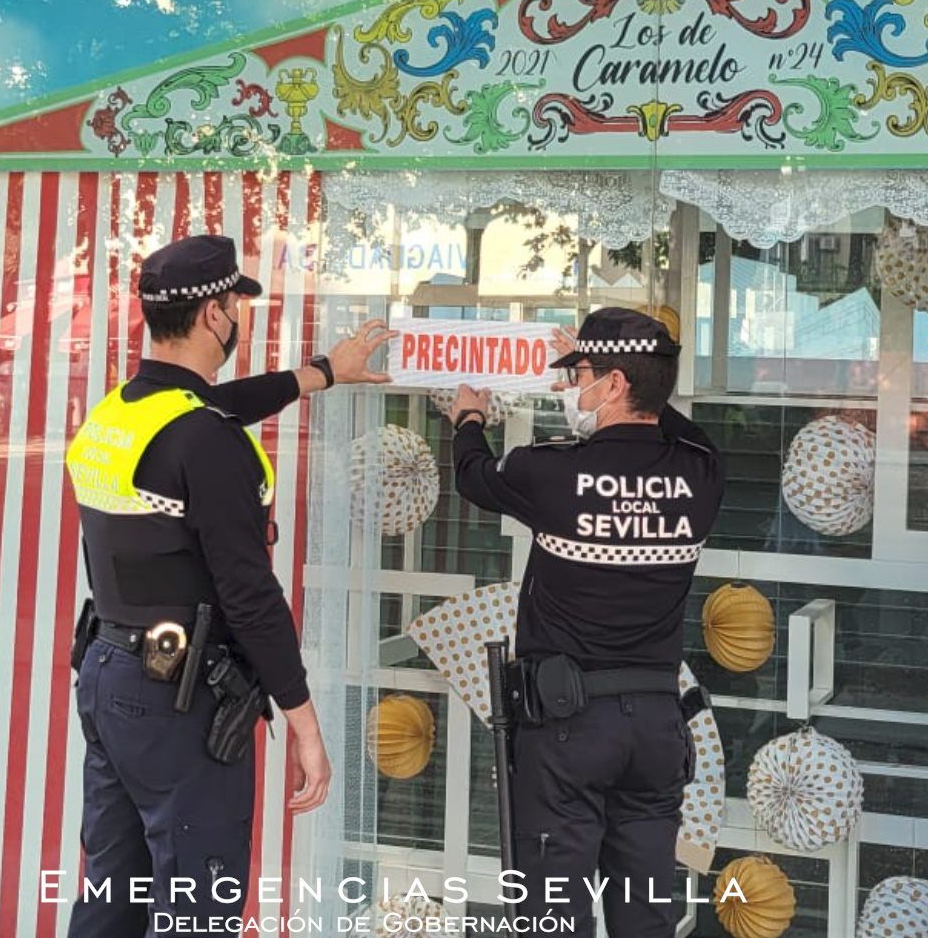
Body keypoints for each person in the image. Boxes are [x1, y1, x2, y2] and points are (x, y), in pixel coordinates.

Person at [63, 233, 396, 935]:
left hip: (111, 676)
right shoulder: (206, 440)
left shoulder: (120, 413)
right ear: (217, 314)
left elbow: (208, 408)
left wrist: (322, 373)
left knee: (111, 899)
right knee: (195, 910)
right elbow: (249, 595)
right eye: (236, 304)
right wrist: (304, 721)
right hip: (178, 703)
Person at [447, 308, 725, 937]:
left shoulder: (549, 472)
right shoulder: (701, 473)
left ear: (615, 384)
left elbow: (473, 476)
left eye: (582, 377)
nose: (574, 388)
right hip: (656, 730)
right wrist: (624, 371)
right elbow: (689, 433)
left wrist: (469, 418)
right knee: (645, 919)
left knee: (550, 917)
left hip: (566, 733)